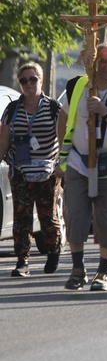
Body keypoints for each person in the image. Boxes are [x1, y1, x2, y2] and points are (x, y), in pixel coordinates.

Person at [58, 42, 107, 291]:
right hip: (77, 162)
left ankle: (103, 273)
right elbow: (63, 118)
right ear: (93, 63)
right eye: (101, 61)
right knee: (75, 216)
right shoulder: (76, 85)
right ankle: (77, 269)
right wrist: (62, 154)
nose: (106, 67)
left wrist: (104, 112)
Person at [0, 62, 62, 277]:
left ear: (41, 80)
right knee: (21, 216)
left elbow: (63, 139)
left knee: (47, 215)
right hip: (20, 171)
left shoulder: (53, 108)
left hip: (48, 171)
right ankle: (22, 260)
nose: (28, 84)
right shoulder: (12, 109)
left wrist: (62, 164)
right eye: (24, 80)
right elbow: (4, 140)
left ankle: (53, 249)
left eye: (33, 79)